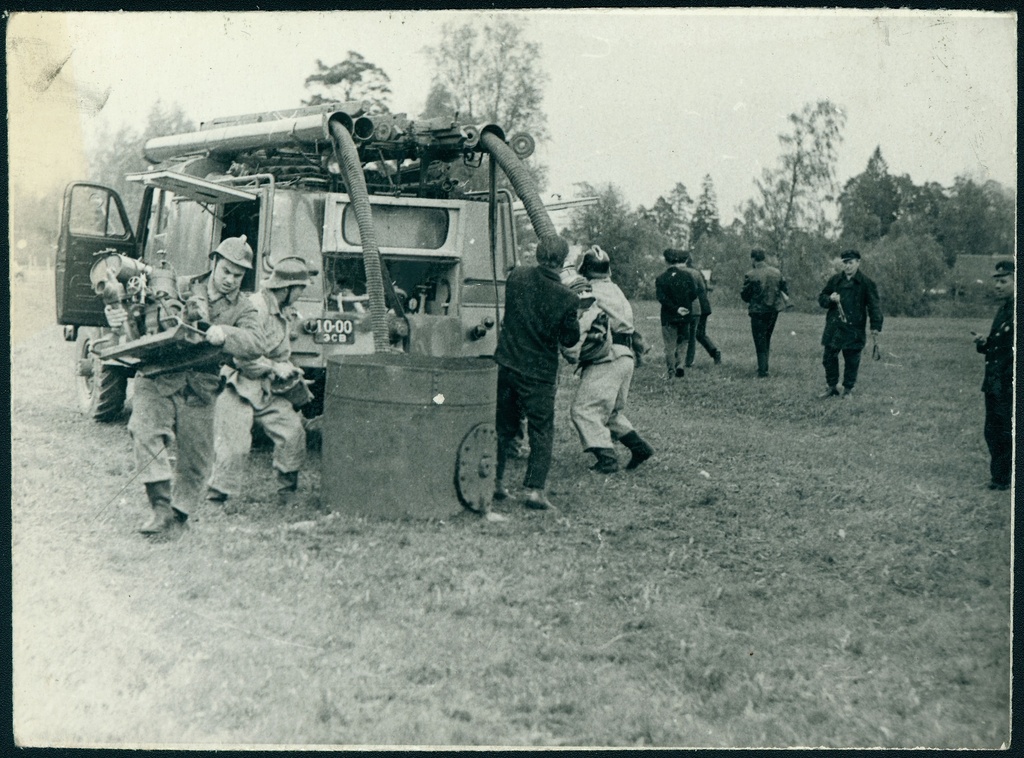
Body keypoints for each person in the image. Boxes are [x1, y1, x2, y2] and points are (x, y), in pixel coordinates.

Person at [106, 236, 263, 537]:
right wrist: (116, 316)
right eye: (226, 271)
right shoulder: (179, 285)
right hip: (159, 374)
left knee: (197, 461)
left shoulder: (244, 308)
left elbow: (257, 342)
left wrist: (224, 333)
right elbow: (137, 316)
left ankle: (178, 516)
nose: (230, 280)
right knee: (145, 431)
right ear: (214, 262)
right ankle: (160, 510)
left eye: (238, 275)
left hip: (200, 385)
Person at [207, 256, 315, 507]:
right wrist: (274, 367)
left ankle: (287, 492)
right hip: (239, 384)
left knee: (292, 432)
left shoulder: (281, 311)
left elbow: (281, 353)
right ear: (286, 288)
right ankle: (217, 495)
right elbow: (242, 356)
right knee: (234, 445)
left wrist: (290, 370)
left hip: (268, 388)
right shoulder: (256, 307)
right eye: (300, 288)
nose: (301, 293)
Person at [493, 236, 581, 511]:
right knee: (541, 430)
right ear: (564, 261)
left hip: (507, 364)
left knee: (503, 427)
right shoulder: (567, 297)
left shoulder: (516, 277)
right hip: (539, 373)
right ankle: (533, 490)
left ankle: (494, 482)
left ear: (537, 254)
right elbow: (569, 340)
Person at [566, 246, 654, 474]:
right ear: (608, 269)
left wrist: (571, 353)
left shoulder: (589, 293)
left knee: (584, 410)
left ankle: (607, 460)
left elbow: (584, 323)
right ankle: (639, 448)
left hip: (607, 357)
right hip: (626, 356)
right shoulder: (616, 290)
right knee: (611, 412)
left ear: (583, 270)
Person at [817, 249, 883, 398]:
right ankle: (832, 387)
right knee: (828, 358)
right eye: (845, 263)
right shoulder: (835, 280)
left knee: (852, 360)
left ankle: (848, 390)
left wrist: (875, 326)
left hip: (854, 328)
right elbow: (822, 298)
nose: (847, 266)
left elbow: (874, 306)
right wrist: (829, 299)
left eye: (850, 263)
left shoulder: (866, 283)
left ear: (858, 263)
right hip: (834, 327)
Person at [974, 259, 1013, 491]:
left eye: (1003, 281)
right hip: (995, 382)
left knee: (1004, 431)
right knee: (994, 431)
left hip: (1008, 383)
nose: (997, 285)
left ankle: (1002, 479)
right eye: (996, 281)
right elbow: (998, 345)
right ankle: (999, 478)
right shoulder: (1004, 309)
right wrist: (984, 342)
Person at [741, 248, 788, 378]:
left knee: (759, 339)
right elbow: (784, 290)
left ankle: (763, 370)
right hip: (773, 310)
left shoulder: (750, 274)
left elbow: (745, 296)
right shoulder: (776, 272)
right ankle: (763, 366)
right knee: (766, 337)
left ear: (753, 259)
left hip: (757, 311)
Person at [655, 248, 698, 378]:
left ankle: (671, 370)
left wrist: (675, 308)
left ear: (666, 261)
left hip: (668, 316)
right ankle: (680, 364)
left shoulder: (661, 278)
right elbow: (694, 294)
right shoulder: (687, 276)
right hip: (685, 314)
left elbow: (661, 298)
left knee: (669, 344)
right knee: (684, 341)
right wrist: (684, 306)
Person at [681, 253, 721, 367]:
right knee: (699, 334)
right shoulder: (697, 272)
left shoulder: (686, 273)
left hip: (697, 307)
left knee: (694, 334)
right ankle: (714, 352)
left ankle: (713, 353)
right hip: (703, 306)